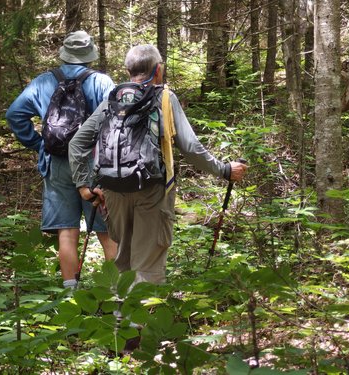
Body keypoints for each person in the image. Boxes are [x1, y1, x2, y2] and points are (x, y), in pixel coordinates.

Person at [68, 44, 247, 285]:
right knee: (148, 265)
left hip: (113, 191)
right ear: (158, 70)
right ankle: (140, 322)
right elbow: (191, 147)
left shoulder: (113, 99)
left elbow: (77, 143)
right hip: (152, 190)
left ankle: (120, 318)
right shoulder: (164, 97)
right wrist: (224, 170)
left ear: (129, 69)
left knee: (124, 262)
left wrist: (84, 188)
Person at [6, 30, 117, 290]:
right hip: (93, 164)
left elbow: (14, 114)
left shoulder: (43, 82)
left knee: (67, 231)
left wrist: (38, 144)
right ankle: (118, 294)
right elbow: (116, 120)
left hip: (56, 162)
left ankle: (70, 293)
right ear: (89, 54)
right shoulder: (101, 82)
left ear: (64, 53)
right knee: (106, 231)